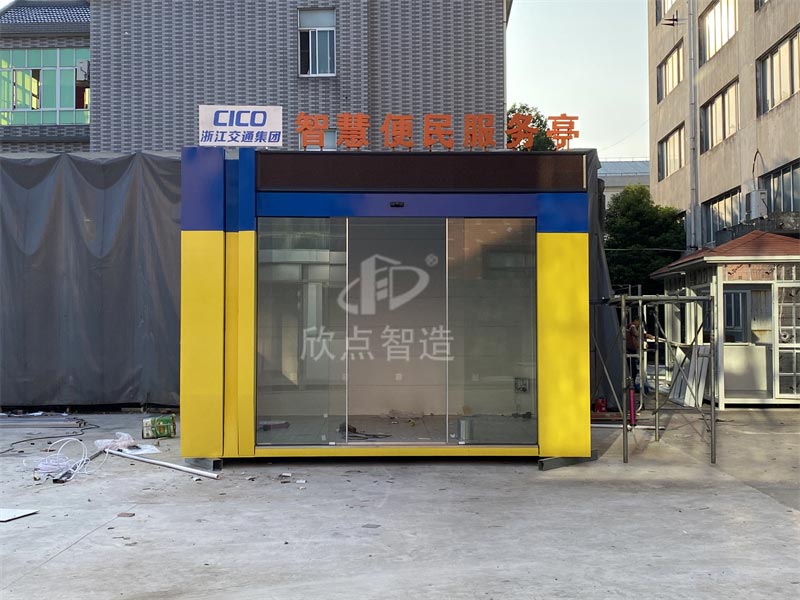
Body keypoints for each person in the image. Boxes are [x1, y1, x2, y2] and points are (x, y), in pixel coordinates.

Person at [626, 317, 652, 394]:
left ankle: (632, 385)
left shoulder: (632, 327)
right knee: (632, 370)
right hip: (628, 351)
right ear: (635, 321)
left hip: (631, 351)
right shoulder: (631, 326)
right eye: (639, 323)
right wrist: (646, 335)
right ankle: (631, 386)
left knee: (633, 370)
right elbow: (636, 333)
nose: (639, 325)